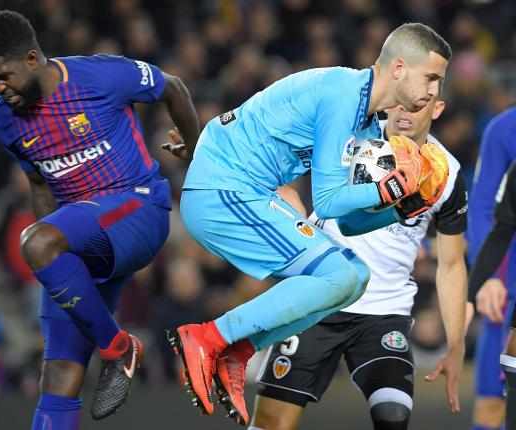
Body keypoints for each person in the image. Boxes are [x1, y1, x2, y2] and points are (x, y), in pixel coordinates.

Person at [166, 22, 452, 426]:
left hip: (245, 191)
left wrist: (401, 207)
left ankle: (239, 348)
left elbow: (349, 223)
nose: (434, 90)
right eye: (431, 77)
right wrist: (391, 188)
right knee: (337, 273)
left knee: (354, 275)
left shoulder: (369, 123)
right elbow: (328, 200)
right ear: (400, 68)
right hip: (223, 189)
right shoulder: (343, 93)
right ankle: (208, 338)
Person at [0, 10, 199, 430]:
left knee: (35, 243)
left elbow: (174, 87)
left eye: (3, 75)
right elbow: (39, 184)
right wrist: (52, 257)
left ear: (33, 59)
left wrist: (196, 152)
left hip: (138, 208)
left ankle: (117, 348)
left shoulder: (101, 76)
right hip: (80, 234)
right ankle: (112, 346)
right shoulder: (2, 118)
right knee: (58, 374)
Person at [250, 95, 470, 430]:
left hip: (384, 313)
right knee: (272, 422)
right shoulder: (348, 137)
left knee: (393, 415)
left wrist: (456, 346)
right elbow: (272, 153)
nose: (405, 111)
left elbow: (452, 265)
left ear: (437, 108)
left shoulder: (446, 173)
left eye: (418, 105)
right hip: (317, 301)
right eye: (401, 102)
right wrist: (285, 200)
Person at [467, 107, 516, 430]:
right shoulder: (505, 129)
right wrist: (488, 279)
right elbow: (483, 206)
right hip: (510, 289)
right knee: (492, 401)